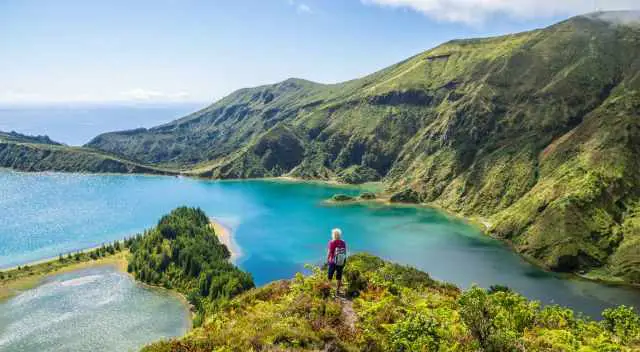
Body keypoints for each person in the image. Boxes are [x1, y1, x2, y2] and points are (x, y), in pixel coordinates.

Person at [327, 228, 347, 295]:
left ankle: (328, 289)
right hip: (341, 262)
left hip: (333, 262)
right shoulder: (343, 242)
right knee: (339, 276)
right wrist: (344, 261)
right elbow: (345, 252)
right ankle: (337, 290)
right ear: (339, 234)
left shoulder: (332, 242)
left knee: (330, 276)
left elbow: (330, 252)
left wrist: (327, 259)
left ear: (333, 235)